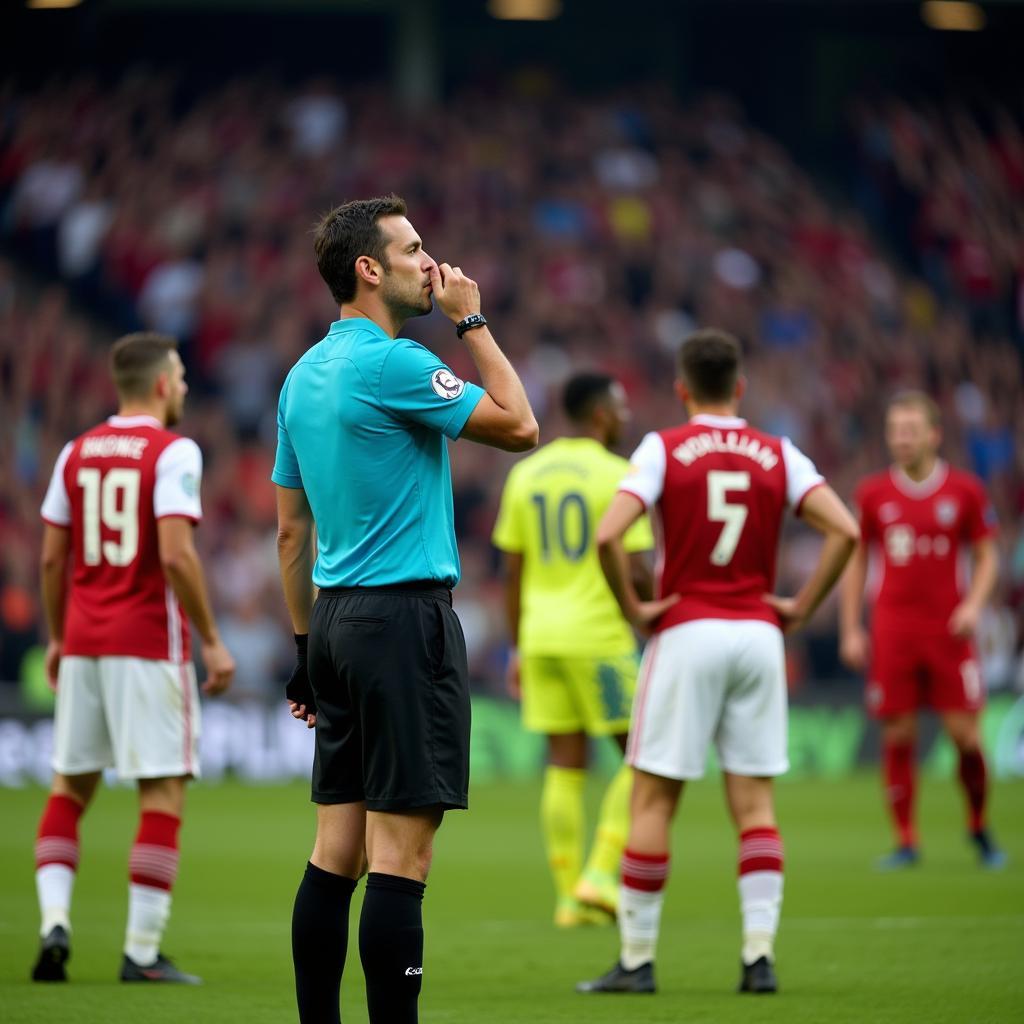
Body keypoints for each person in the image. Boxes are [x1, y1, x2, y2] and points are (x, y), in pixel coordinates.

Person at [273, 194, 537, 1024]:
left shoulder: (302, 374)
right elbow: (521, 426)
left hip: (334, 621)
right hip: (402, 622)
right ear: (369, 269)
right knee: (401, 861)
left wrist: (304, 651)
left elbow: (289, 532)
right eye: (415, 249)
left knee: (334, 853)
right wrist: (473, 321)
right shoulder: (393, 363)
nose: (433, 264)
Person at [578, 328, 859, 997]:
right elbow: (846, 530)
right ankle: (758, 959)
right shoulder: (776, 451)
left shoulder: (663, 448)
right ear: (739, 387)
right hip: (759, 636)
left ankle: (638, 962)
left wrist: (635, 610)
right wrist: (800, 607)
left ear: (682, 390)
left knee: (652, 799)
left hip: (688, 630)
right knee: (755, 804)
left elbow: (608, 534)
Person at [32, 332, 235, 984]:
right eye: (177, 376)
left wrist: (59, 636)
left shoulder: (75, 452)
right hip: (149, 643)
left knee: (70, 787)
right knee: (162, 794)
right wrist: (210, 637)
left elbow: (50, 558)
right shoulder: (174, 452)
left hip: (86, 643)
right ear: (157, 385)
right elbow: (176, 554)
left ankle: (54, 922)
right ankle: (142, 953)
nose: (182, 386)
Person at [492, 373, 654, 928]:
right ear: (601, 415)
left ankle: (568, 900)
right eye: (622, 407)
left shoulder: (526, 473)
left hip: (540, 639)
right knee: (644, 754)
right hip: (599, 638)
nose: (628, 416)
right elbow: (635, 567)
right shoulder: (618, 475)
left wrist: (515, 648)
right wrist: (659, 617)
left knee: (565, 765)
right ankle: (601, 874)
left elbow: (511, 574)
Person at [838, 391, 1005, 869]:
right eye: (895, 431)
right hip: (893, 628)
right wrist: (852, 627)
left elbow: (988, 555)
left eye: (911, 431)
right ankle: (906, 839)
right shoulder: (872, 494)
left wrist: (974, 605)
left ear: (934, 434)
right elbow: (856, 562)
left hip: (949, 629)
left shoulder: (965, 491)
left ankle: (978, 825)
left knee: (965, 736)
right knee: (898, 734)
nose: (902, 440)